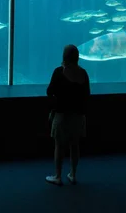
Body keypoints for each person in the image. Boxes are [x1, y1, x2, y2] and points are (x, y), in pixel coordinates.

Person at [45, 44, 90, 185]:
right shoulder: (83, 73)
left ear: (64, 57)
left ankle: (58, 176)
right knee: (74, 145)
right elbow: (87, 94)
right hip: (78, 116)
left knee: (59, 146)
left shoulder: (59, 72)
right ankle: (73, 174)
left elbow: (49, 91)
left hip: (61, 115)